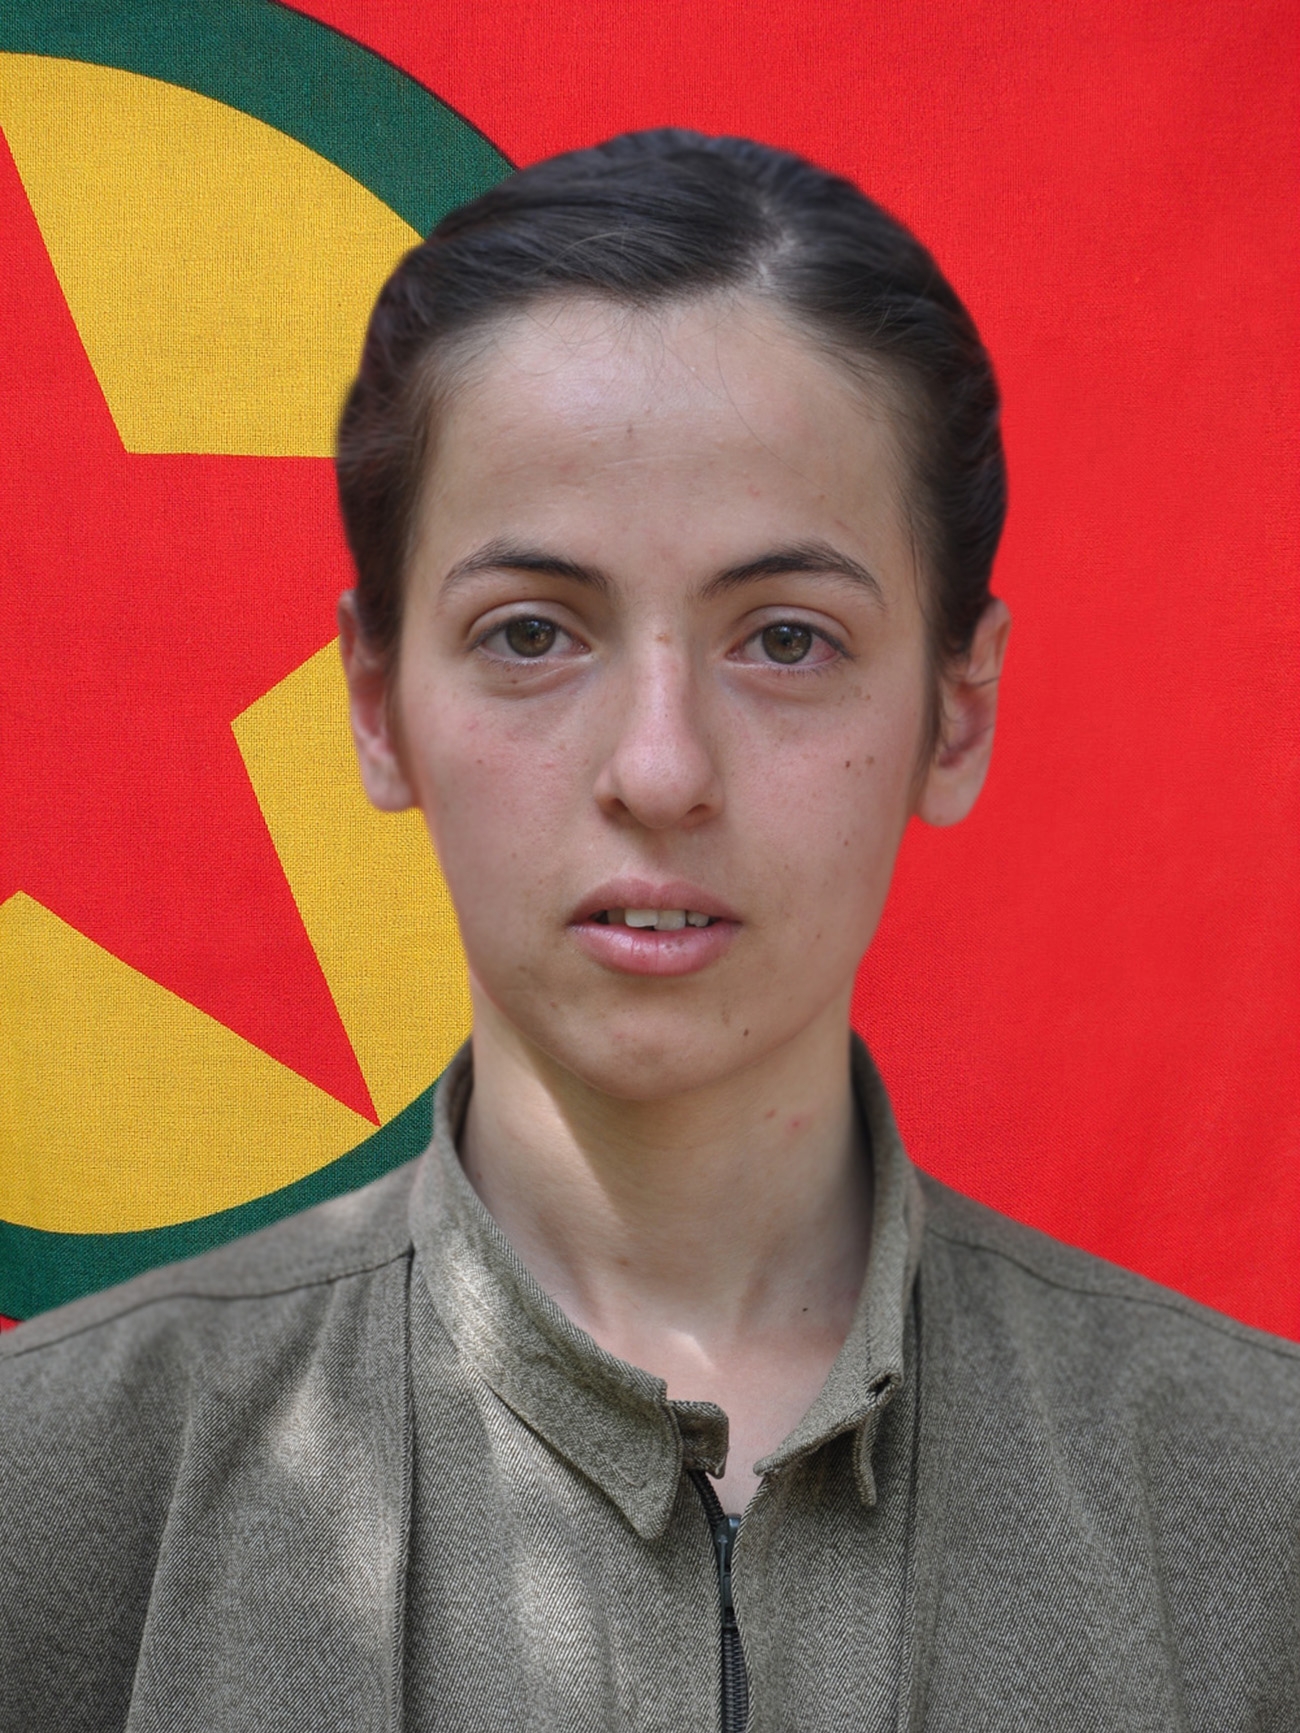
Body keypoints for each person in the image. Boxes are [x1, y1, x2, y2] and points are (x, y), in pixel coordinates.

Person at [2, 130, 1297, 1733]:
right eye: (531, 633)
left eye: (788, 639)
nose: (662, 768)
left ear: (957, 710)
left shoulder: (1258, 1511)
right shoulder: (54, 1489)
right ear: (377, 703)